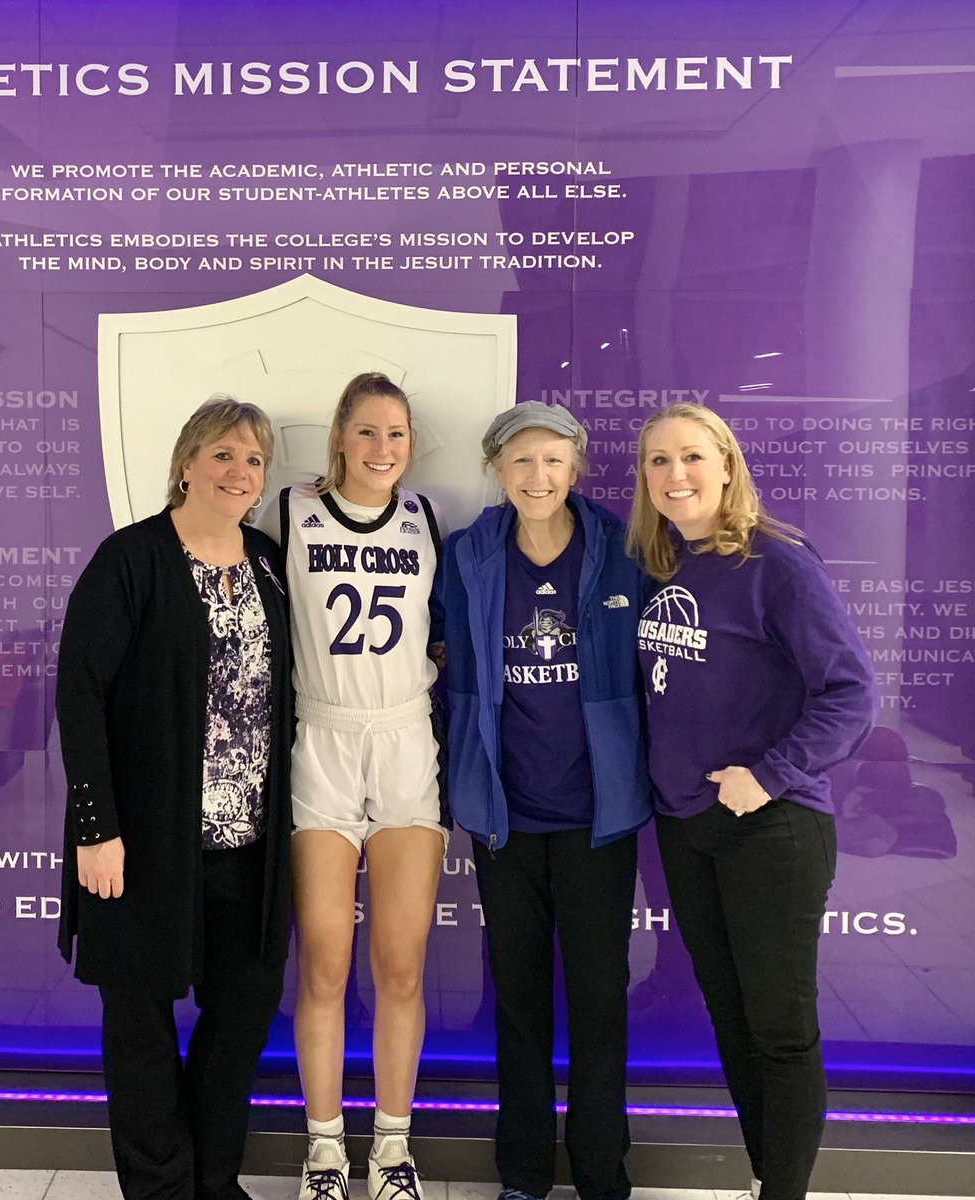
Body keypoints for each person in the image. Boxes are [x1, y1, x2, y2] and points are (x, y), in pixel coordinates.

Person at [628, 403, 878, 1200]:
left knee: (779, 1029)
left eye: (692, 457)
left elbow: (851, 694)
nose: (676, 475)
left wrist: (766, 775)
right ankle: (769, 1175)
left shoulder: (777, 562)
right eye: (658, 461)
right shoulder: (659, 562)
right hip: (686, 829)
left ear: (727, 465)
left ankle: (783, 1193)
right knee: (730, 1019)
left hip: (771, 827)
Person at [55, 396, 293, 1200]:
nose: (238, 472)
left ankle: (212, 1181)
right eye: (222, 454)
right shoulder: (132, 558)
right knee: (141, 1027)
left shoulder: (265, 560)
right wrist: (97, 830)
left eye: (253, 459)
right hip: (143, 843)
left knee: (240, 1020)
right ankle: (160, 1189)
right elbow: (80, 695)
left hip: (249, 848)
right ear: (186, 462)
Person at [437, 400, 652, 1200]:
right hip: (506, 820)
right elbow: (439, 664)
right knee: (518, 1003)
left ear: (577, 468)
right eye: (521, 461)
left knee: (599, 1003)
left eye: (554, 461)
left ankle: (602, 1175)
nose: (538, 477)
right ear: (495, 468)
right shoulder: (466, 556)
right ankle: (522, 1174)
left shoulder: (625, 552)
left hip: (599, 820)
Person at [257, 372, 446, 1200]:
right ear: (338, 436)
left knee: (400, 965)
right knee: (326, 965)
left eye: (396, 434)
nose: (381, 449)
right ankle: (326, 1153)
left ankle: (394, 1152)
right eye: (366, 433)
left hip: (405, 740)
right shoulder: (288, 511)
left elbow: (440, 628)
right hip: (321, 740)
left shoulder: (425, 515)